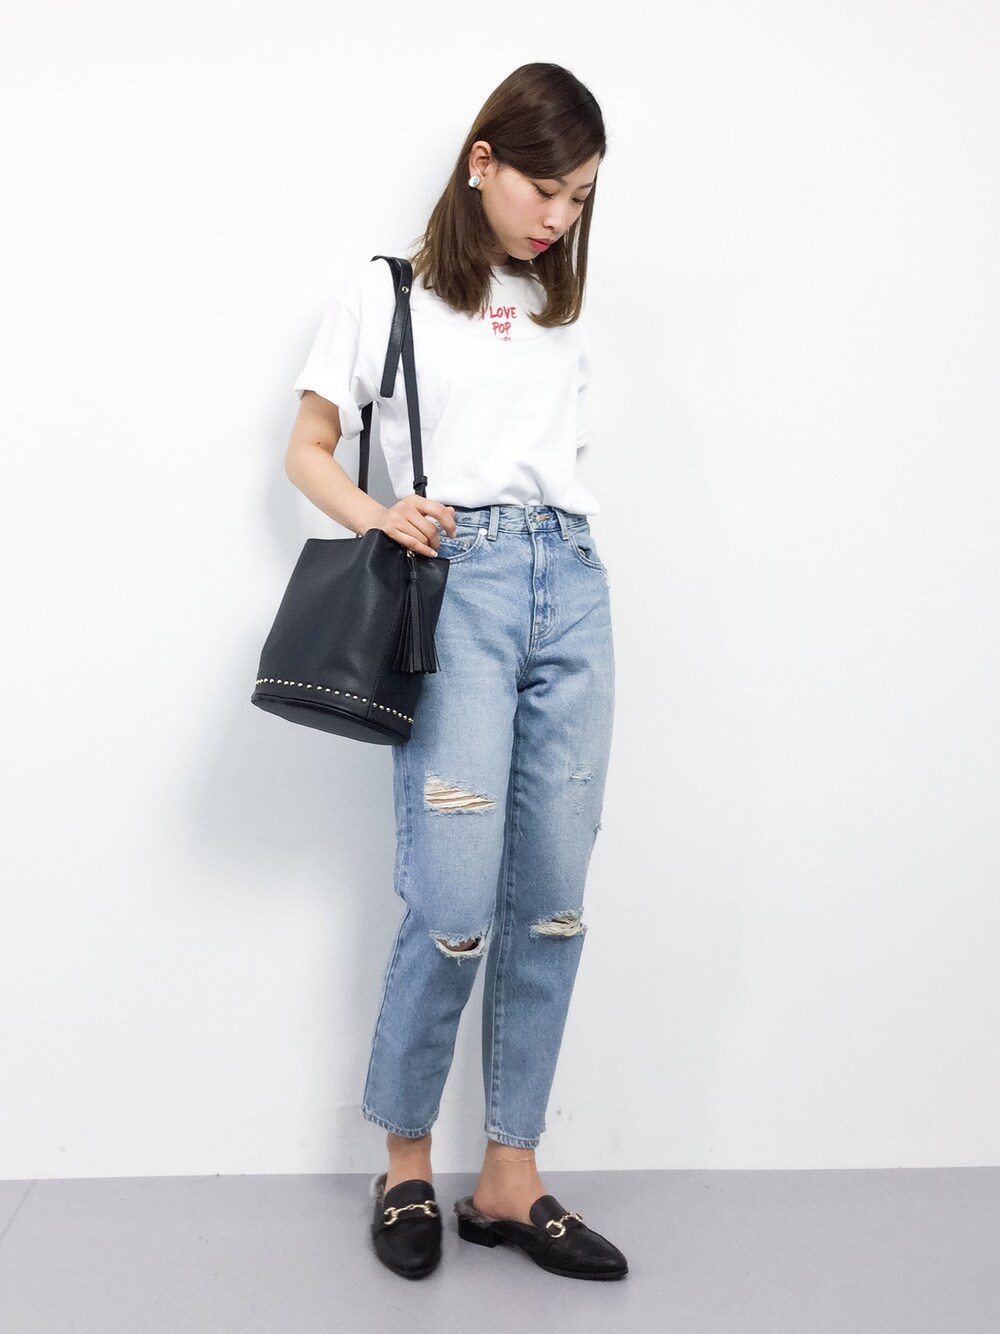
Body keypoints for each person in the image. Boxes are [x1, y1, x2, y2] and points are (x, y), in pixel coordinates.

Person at [283, 62, 627, 1282]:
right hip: (456, 592)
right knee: (453, 905)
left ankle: (509, 1175)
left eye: (580, 198)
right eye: (545, 187)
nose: (558, 217)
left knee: (553, 901)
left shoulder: (556, 309)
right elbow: (307, 446)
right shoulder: (387, 292)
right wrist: (379, 514)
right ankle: (405, 1162)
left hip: (569, 587)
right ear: (481, 160)